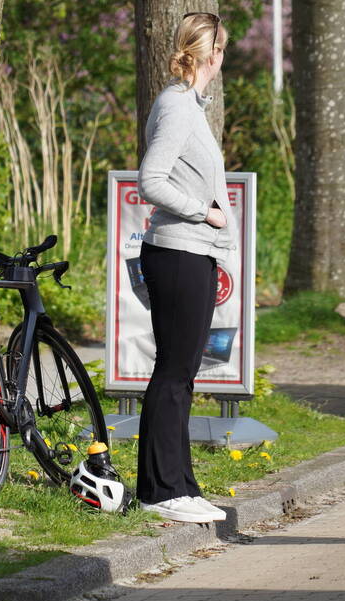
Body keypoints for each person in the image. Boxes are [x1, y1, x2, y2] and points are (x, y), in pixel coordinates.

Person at [135, 12, 235, 524]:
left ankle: (180, 484)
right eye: (224, 51)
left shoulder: (189, 106)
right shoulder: (177, 107)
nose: (224, 60)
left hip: (194, 253)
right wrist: (205, 212)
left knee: (183, 374)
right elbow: (150, 179)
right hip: (177, 252)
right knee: (173, 373)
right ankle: (159, 491)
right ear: (211, 54)